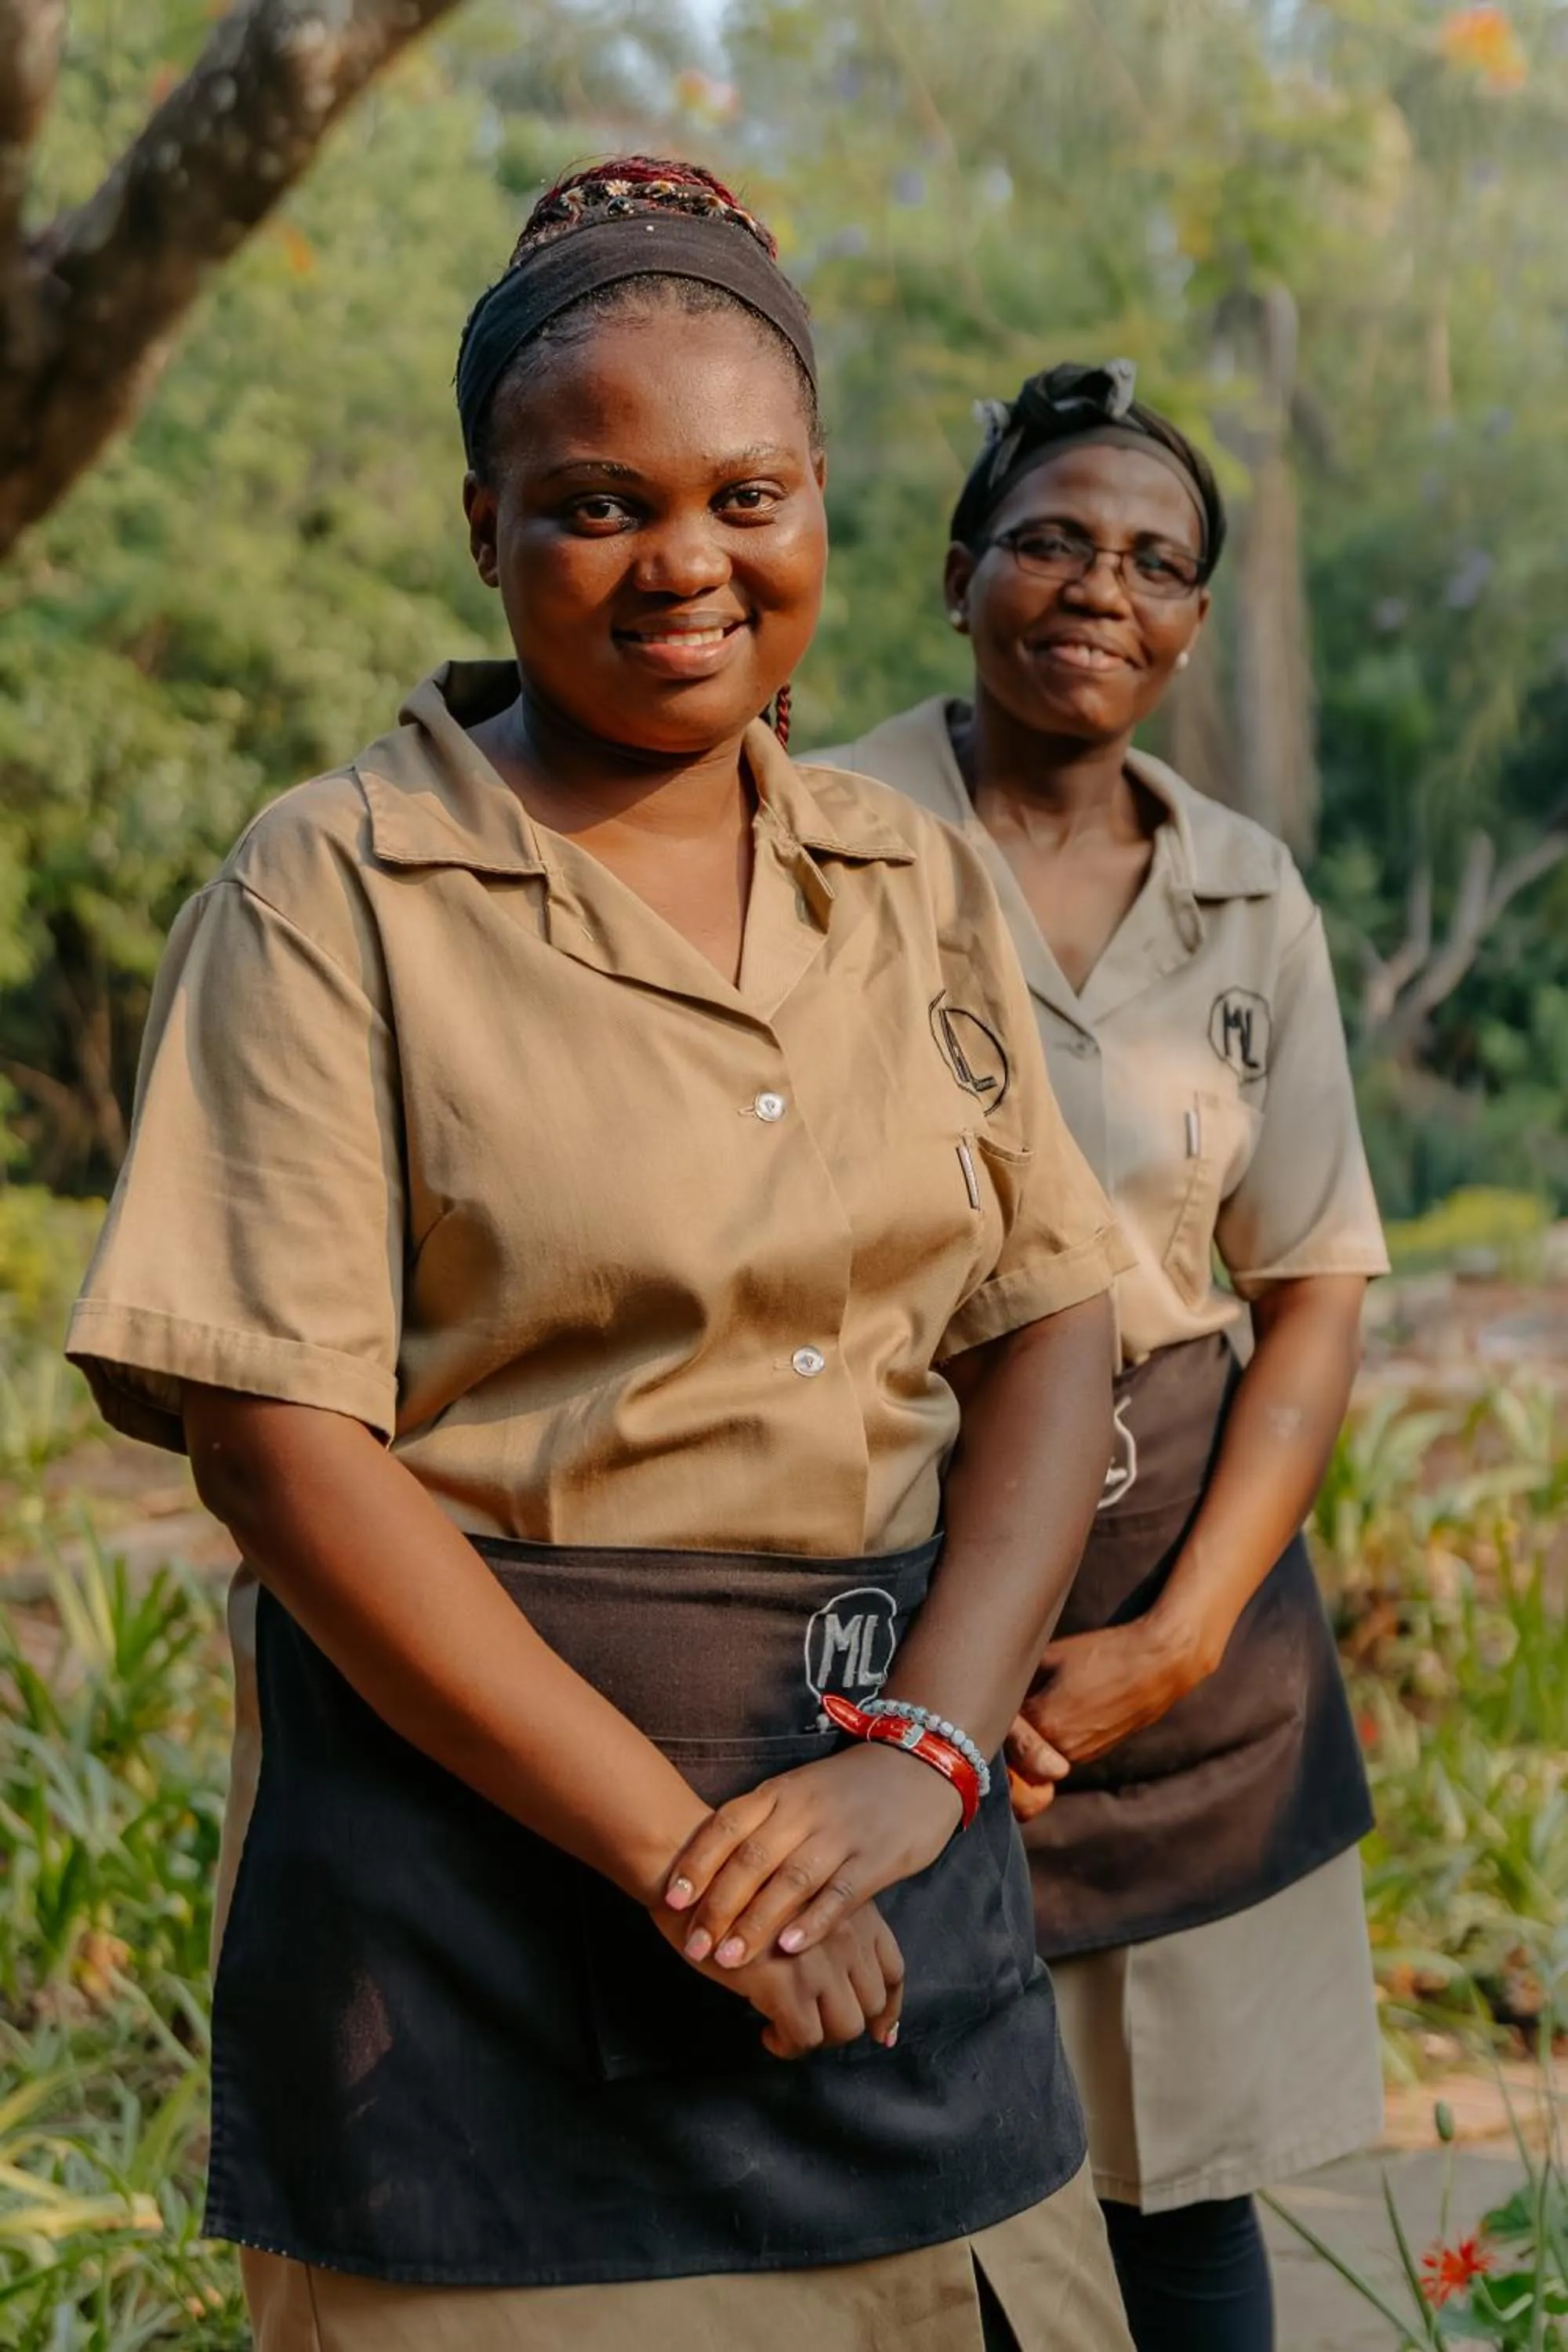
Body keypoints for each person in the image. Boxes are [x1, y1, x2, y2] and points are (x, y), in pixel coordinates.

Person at [65, 171, 1141, 2352]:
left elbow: (1050, 1321)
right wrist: (683, 1857)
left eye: (750, 493)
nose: (687, 564)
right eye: (596, 501)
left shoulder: (906, 884)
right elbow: (282, 1448)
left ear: (823, 501)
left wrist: (920, 1757)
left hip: (893, 1892)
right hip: (475, 1943)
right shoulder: (333, 892)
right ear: (483, 526)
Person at [815, 358, 1392, 2352]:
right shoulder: (815, 838)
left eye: (1153, 561)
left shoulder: (1245, 893)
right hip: (888, 1590)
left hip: (1180, 1626)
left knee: (1179, 2190)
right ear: (958, 573)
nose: (1097, 585)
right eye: (1051, 538)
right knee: (922, 2189)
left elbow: (1308, 1277)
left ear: (1192, 626)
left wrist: (1177, 1640)